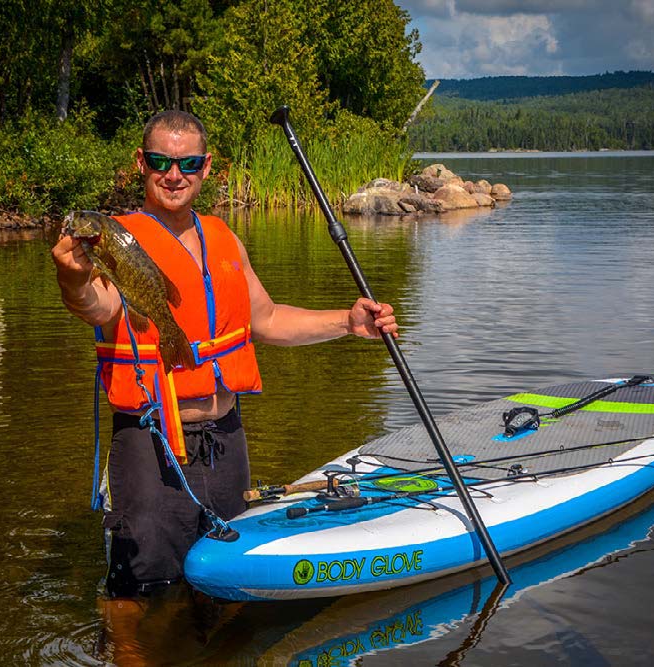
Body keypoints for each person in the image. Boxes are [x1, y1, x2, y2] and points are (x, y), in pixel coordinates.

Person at [51, 110, 398, 599]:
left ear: (206, 166)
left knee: (226, 583)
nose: (174, 175)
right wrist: (72, 275)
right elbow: (95, 304)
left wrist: (348, 321)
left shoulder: (224, 238)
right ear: (140, 163)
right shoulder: (115, 240)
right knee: (140, 588)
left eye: (188, 162)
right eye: (160, 161)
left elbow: (269, 319)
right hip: (153, 442)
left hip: (226, 440)